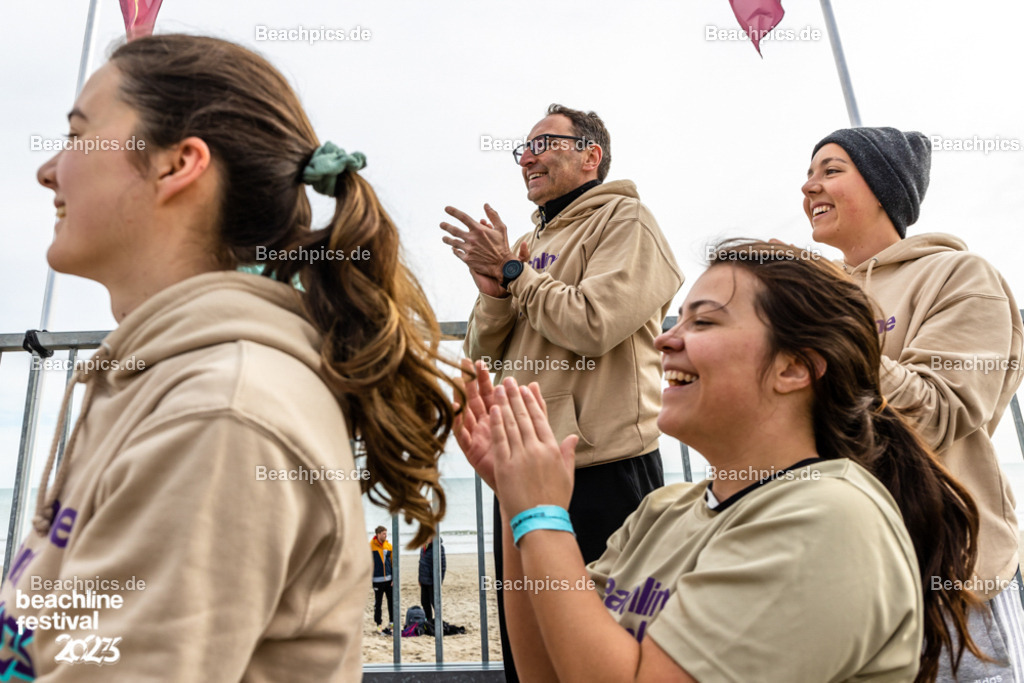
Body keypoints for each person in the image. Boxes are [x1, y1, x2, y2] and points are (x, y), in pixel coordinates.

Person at [0, 34, 458, 681]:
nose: (49, 170)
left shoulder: (221, 415)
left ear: (178, 164)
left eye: (78, 136)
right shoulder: (156, 382)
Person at [456, 240, 986, 682]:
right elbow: (545, 672)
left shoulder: (827, 516)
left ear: (795, 368)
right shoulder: (663, 511)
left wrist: (543, 515)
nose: (665, 340)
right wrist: (513, 497)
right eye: (678, 320)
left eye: (703, 323)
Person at [440, 104, 683, 680]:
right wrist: (497, 292)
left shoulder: (627, 221)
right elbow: (481, 352)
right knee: (530, 651)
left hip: (603, 465)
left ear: (590, 155)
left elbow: (594, 323)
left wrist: (516, 275)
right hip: (526, 468)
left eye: (543, 143)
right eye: (521, 149)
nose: (526, 157)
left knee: (601, 644)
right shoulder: (527, 241)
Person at [803, 127, 1024, 680]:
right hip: (838, 581)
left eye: (830, 170)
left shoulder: (959, 275)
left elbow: (937, 411)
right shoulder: (812, 291)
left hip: (948, 584)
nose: (809, 187)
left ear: (882, 188)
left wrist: (831, 324)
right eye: (809, 174)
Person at [371, 527, 395, 633]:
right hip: (376, 580)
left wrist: (394, 578)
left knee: (391, 601)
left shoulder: (389, 546)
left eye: (386, 533)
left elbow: (393, 563)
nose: (386, 535)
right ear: (378, 534)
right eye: (384, 534)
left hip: (389, 580)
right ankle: (378, 624)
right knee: (378, 603)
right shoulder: (370, 546)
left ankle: (392, 622)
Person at [418, 537, 447, 623]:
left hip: (433, 581)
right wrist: (419, 578)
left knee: (435, 603)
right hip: (423, 580)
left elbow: (443, 566)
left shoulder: (438, 547)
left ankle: (438, 623)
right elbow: (421, 563)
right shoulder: (423, 546)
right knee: (424, 602)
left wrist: (439, 581)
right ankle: (429, 621)